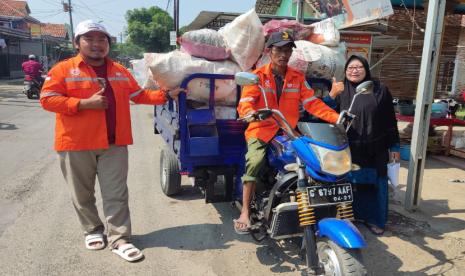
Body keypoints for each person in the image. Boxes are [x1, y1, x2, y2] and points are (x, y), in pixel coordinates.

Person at [40, 20, 181, 262]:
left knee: (116, 193)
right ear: (77, 43)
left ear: (108, 44)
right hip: (76, 143)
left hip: (114, 143)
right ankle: (93, 230)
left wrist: (166, 95)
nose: (97, 44)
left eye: (102, 39)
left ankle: (119, 238)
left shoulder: (119, 70)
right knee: (81, 194)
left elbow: (139, 95)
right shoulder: (63, 70)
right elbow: (47, 99)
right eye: (90, 39)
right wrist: (82, 104)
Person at [234, 31, 340, 234]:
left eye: (288, 50)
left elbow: (312, 103)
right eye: (279, 50)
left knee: (311, 159)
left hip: (287, 130)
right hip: (261, 129)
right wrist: (251, 114)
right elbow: (245, 103)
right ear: (270, 51)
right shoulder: (257, 76)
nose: (283, 54)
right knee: (255, 161)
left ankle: (314, 205)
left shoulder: (298, 77)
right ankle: (245, 211)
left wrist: (336, 118)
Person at [325, 55, 400, 235]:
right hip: (348, 148)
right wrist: (332, 95)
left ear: (366, 70)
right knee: (349, 185)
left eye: (359, 67)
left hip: (376, 148)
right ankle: (351, 217)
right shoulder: (340, 90)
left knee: (377, 185)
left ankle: (376, 221)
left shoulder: (380, 90)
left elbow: (390, 120)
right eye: (350, 68)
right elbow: (322, 113)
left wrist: (395, 146)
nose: (354, 70)